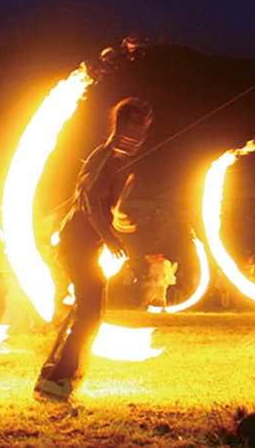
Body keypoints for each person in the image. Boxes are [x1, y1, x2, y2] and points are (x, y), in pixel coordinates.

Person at [36, 97, 153, 402]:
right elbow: (88, 202)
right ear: (120, 126)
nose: (138, 136)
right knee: (89, 313)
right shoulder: (104, 157)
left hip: (82, 244)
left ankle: (52, 375)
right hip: (77, 243)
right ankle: (59, 379)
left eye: (143, 129)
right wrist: (109, 236)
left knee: (84, 311)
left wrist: (116, 223)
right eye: (134, 127)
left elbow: (98, 205)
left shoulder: (114, 162)